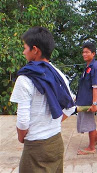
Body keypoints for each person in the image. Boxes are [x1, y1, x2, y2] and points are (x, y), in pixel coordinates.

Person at [10, 27, 75, 172]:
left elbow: (22, 122)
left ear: (35, 50)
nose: (23, 52)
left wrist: (21, 137)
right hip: (56, 143)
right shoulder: (58, 74)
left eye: (25, 48)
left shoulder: (25, 79)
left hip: (35, 147)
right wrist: (52, 124)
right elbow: (71, 107)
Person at [76, 42, 97, 155]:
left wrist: (94, 103)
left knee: (89, 123)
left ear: (93, 53)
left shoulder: (95, 68)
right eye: (83, 52)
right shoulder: (88, 66)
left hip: (89, 101)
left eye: (87, 52)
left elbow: (95, 86)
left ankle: (91, 147)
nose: (84, 54)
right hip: (84, 99)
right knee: (85, 121)